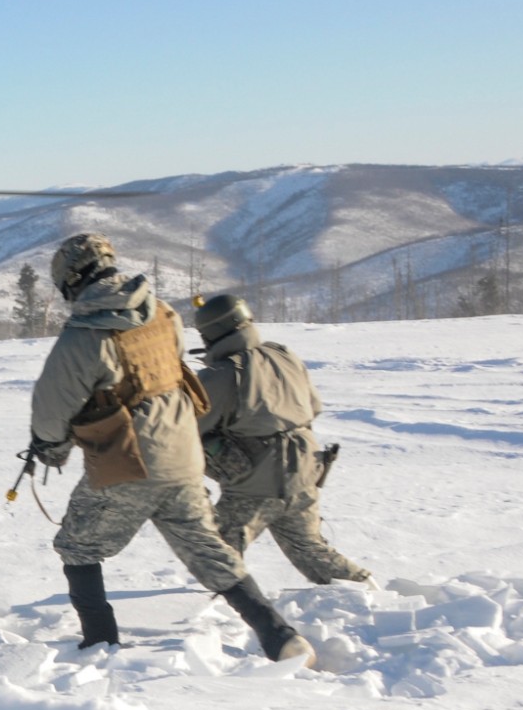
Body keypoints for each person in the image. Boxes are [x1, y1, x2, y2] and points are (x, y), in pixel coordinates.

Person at [26, 234, 313, 664]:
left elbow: (52, 408)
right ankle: (281, 636)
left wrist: (49, 448)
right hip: (183, 454)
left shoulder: (83, 336)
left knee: (77, 545)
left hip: (129, 461)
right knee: (207, 549)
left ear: (71, 280)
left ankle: (99, 644)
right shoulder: (163, 314)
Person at [193, 293, 373, 585]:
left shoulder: (221, 374)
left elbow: (188, 426)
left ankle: (222, 610)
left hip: (254, 486)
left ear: (209, 333)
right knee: (311, 549)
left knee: (214, 554)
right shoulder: (284, 354)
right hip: (305, 474)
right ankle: (367, 590)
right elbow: (313, 407)